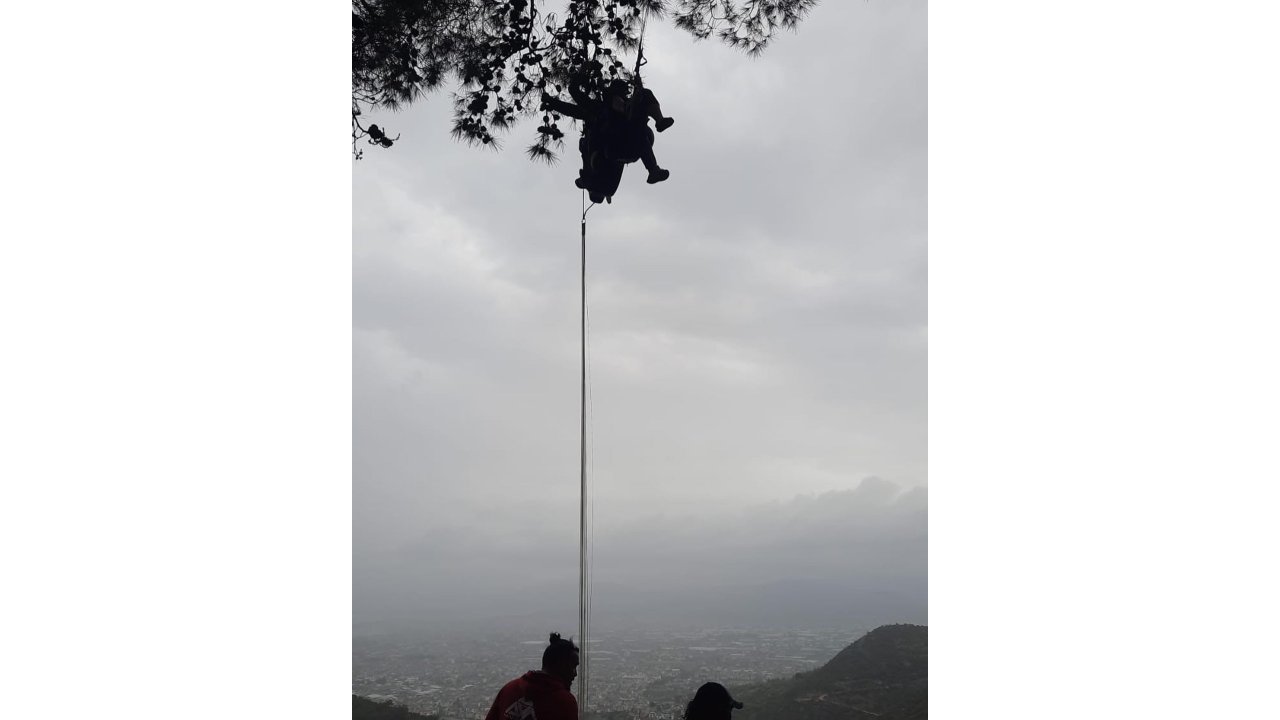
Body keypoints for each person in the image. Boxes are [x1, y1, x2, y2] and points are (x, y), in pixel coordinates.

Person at [542, 77, 674, 198]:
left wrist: (638, 89)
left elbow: (639, 104)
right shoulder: (600, 109)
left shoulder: (628, 107)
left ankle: (659, 124)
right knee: (634, 130)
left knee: (643, 98)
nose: (620, 101)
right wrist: (552, 102)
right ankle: (650, 169)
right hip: (612, 148)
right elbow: (574, 106)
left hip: (631, 146)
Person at [484, 632, 580, 720]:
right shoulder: (564, 702)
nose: (575, 673)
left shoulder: (509, 689)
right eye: (573, 666)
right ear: (561, 665)